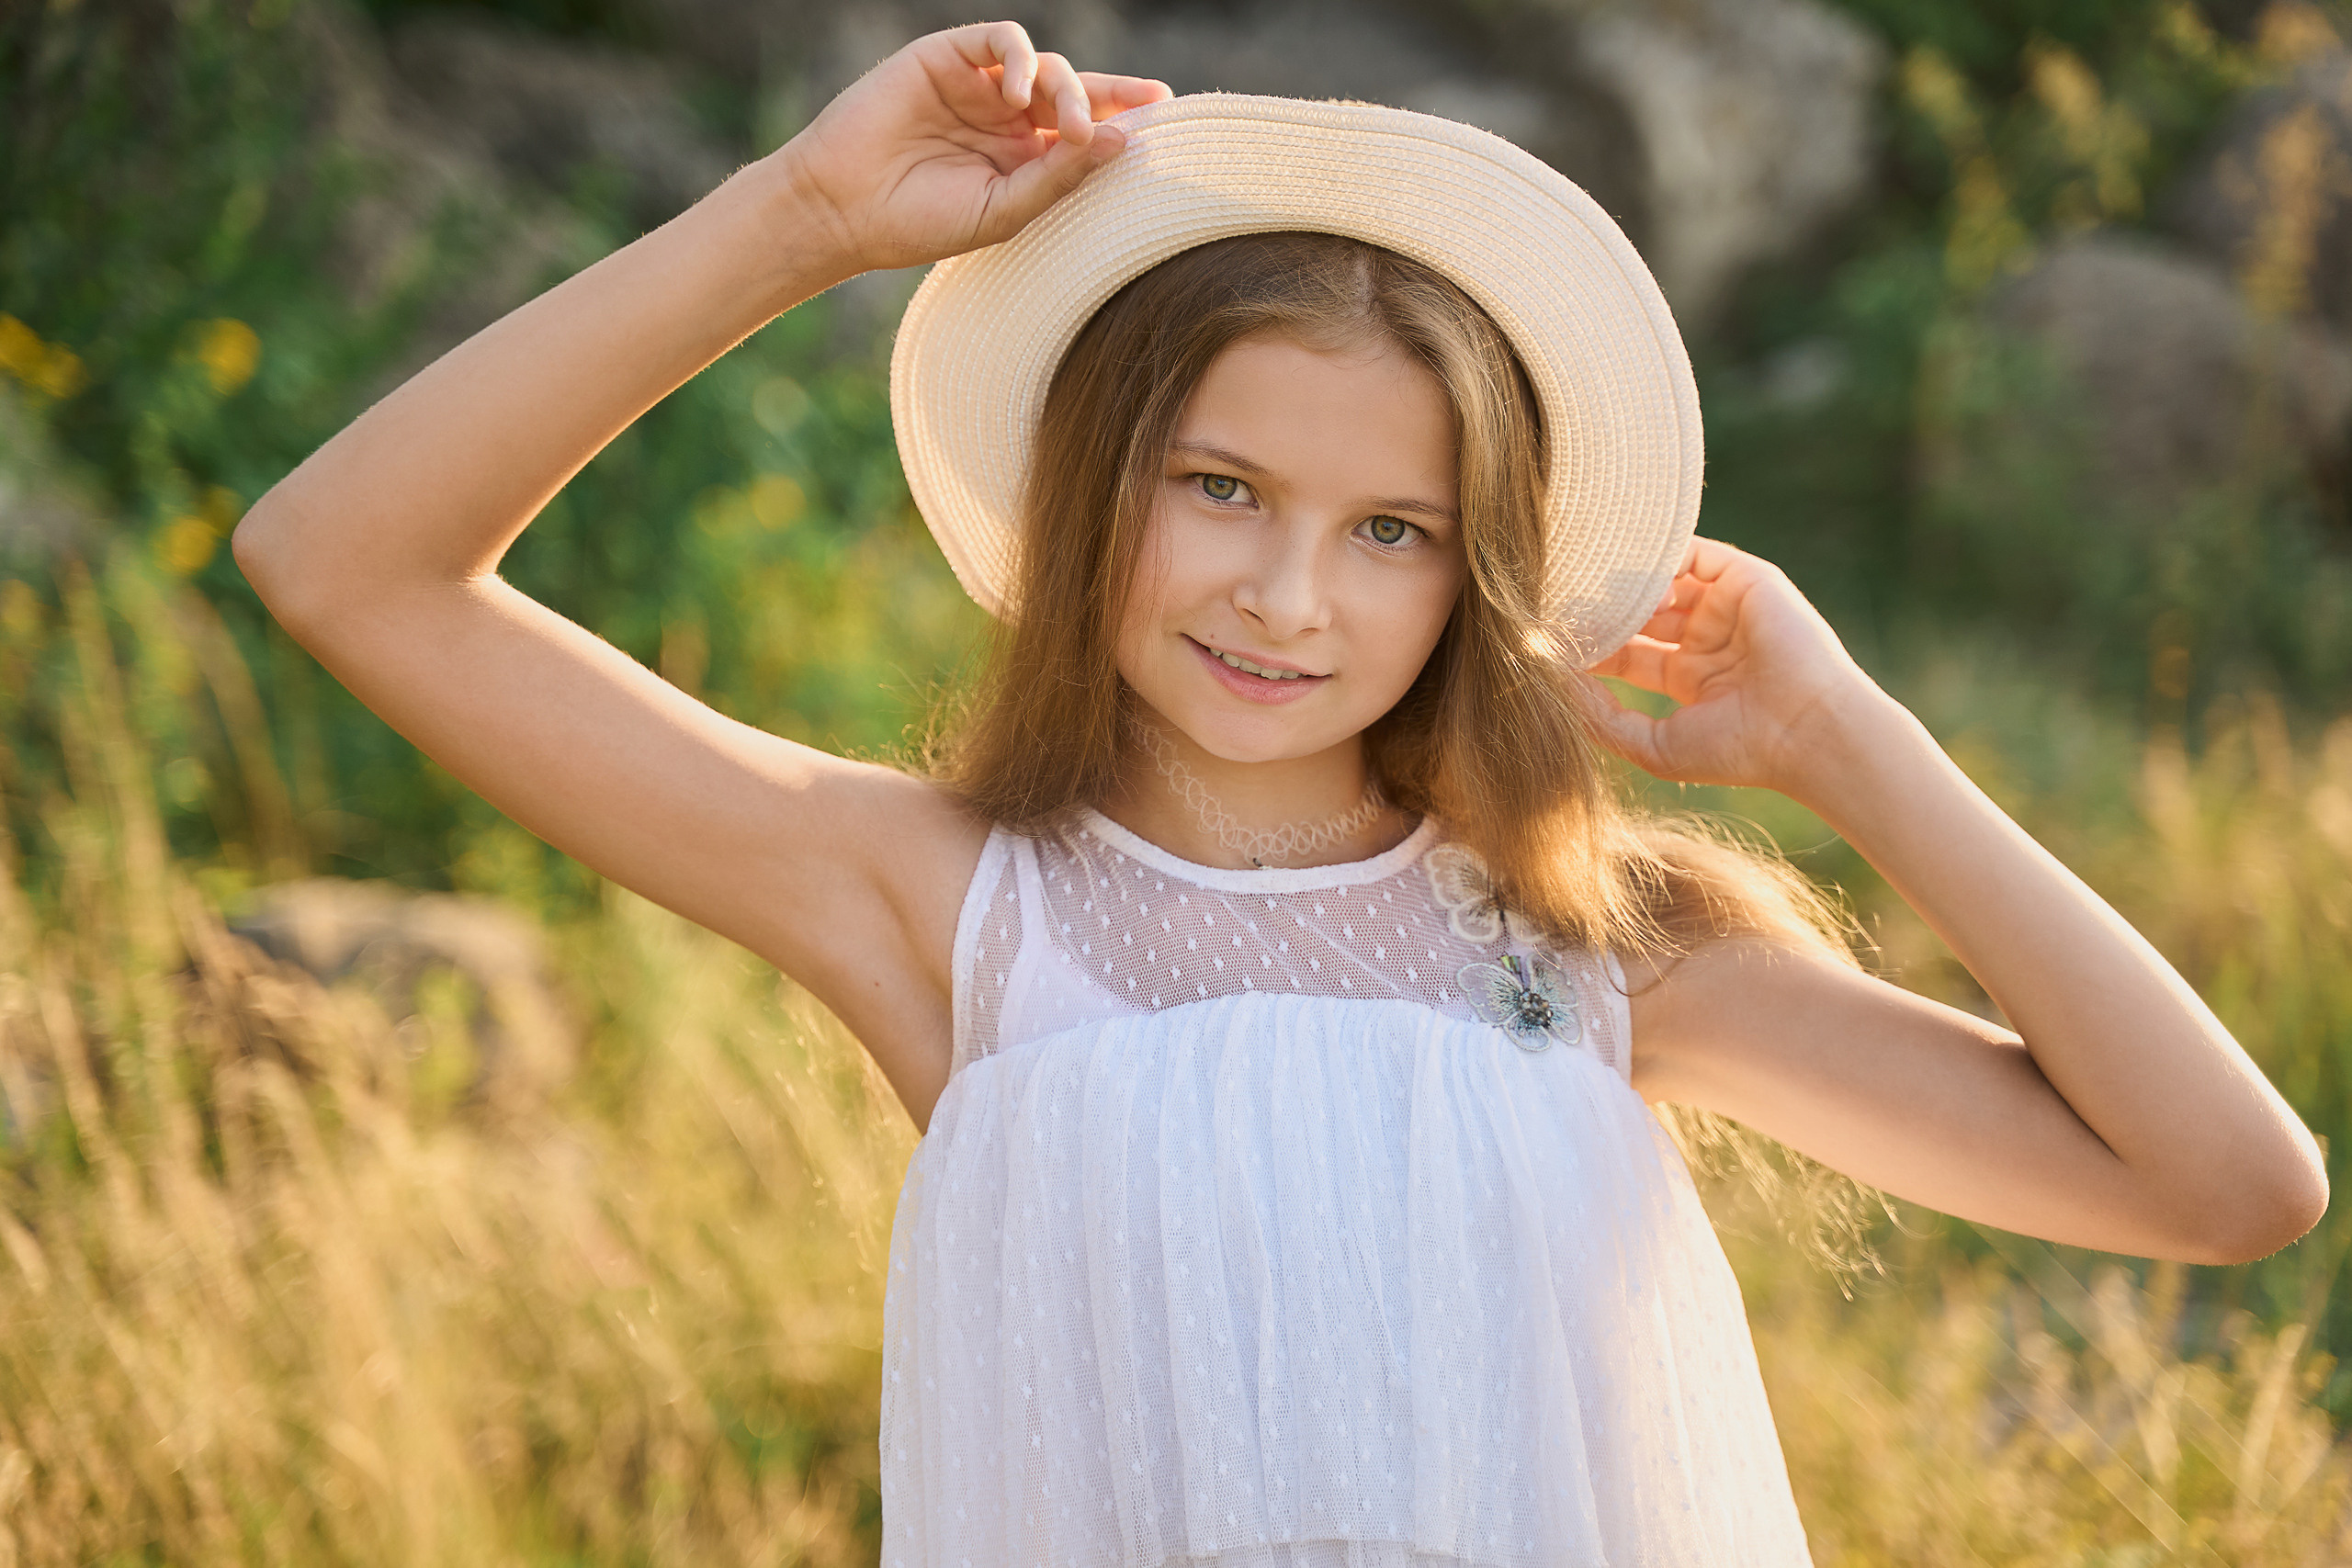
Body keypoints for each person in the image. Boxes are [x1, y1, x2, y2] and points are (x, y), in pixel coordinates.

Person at [231, 20, 2329, 1565]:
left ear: (1475, 570)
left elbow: (2225, 1187)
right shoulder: (945, 905)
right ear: (1091, 487)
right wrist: (797, 223)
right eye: (1217, 486)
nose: (1286, 595)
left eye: (1392, 529)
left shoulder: (1594, 940)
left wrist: (1851, 749)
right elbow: (343, 561)